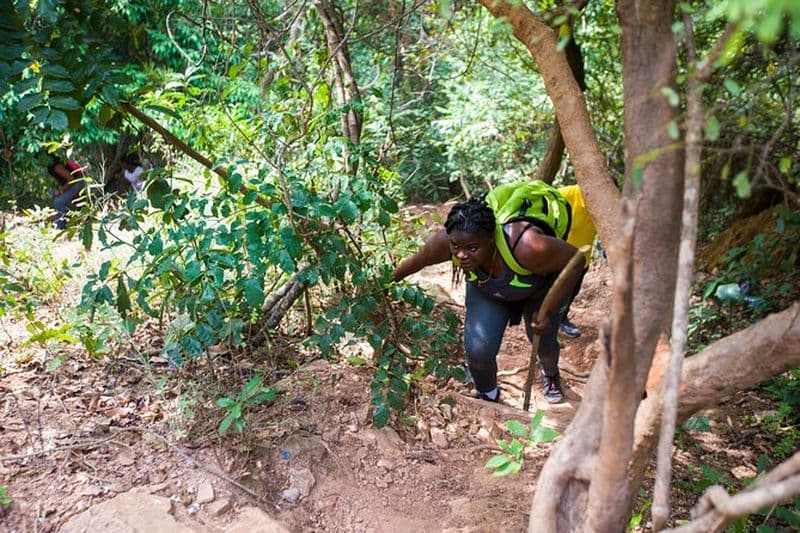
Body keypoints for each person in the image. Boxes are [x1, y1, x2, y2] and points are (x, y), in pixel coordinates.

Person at [392, 195, 583, 403]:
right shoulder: (446, 242)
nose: (462, 255)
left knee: (543, 341)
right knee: (478, 352)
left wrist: (551, 307)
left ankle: (551, 374)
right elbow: (416, 261)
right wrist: (382, 284)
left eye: (472, 248)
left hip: (537, 291)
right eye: (456, 247)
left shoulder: (527, 246)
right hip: (488, 291)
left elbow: (577, 260)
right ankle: (488, 395)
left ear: (491, 238)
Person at [558, 185, 597, 338]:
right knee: (554, 293)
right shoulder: (566, 195)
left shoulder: (605, 206)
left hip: (582, 260)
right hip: (557, 259)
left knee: (571, 292)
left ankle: (562, 320)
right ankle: (547, 325)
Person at [47, 157, 86, 229]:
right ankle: (68, 219)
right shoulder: (51, 167)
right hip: (76, 181)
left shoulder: (56, 166)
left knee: (58, 202)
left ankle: (61, 225)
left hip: (78, 180)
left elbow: (71, 179)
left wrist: (61, 191)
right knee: (57, 198)